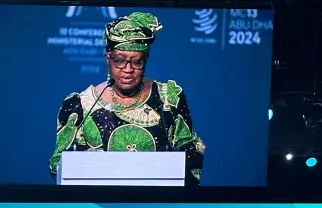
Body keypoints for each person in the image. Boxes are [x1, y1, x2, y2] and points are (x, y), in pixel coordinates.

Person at [50, 12, 205, 182]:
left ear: (146, 60)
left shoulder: (168, 98)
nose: (128, 69)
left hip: (158, 204)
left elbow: (192, 153)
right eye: (120, 60)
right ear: (107, 59)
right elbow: (58, 166)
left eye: (136, 61)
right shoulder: (79, 106)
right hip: (99, 206)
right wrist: (85, 161)